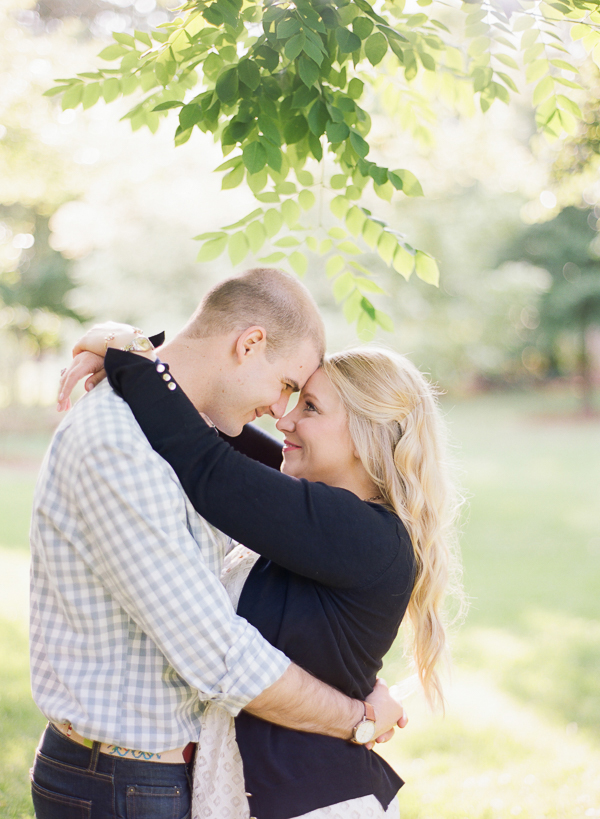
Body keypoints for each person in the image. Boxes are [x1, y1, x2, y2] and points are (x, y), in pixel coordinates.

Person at [30, 267, 405, 819]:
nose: (283, 414)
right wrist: (356, 715)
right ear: (250, 343)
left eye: (306, 403)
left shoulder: (181, 438)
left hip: (159, 777)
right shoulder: (122, 443)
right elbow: (217, 654)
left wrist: (130, 352)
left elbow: (219, 468)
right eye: (287, 387)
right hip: (119, 780)